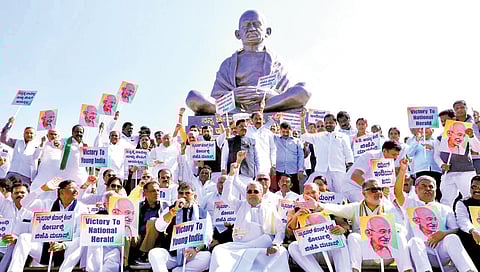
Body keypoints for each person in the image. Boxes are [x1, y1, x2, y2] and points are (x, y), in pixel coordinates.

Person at [185, 10, 311, 114]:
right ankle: (244, 113)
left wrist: (268, 93)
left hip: (269, 104)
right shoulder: (228, 64)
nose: (251, 29)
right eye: (246, 26)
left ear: (267, 31)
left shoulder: (277, 61)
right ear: (238, 34)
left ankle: (255, 112)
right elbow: (217, 96)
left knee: (304, 91)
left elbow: (284, 93)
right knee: (193, 97)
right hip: (234, 107)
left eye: (256, 24)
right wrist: (233, 96)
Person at [317, 162, 413, 272]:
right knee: (353, 237)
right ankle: (355, 270)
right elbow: (335, 209)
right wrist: (318, 205)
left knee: (400, 238)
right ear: (364, 193)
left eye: (379, 189)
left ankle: (406, 270)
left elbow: (403, 230)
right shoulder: (356, 208)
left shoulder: (389, 208)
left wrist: (388, 225)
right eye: (373, 190)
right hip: (363, 254)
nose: (377, 192)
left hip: (385, 253)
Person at [209, 159, 289, 272]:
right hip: (241, 245)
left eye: (255, 192)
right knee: (218, 250)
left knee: (281, 252)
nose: (252, 194)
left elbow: (280, 230)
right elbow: (226, 196)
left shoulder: (269, 207)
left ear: (261, 194)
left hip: (262, 247)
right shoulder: (240, 205)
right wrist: (231, 175)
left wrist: (276, 244)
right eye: (249, 192)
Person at [400, 175, 477, 272]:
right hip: (419, 253)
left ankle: (468, 270)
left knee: (452, 238)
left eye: (431, 187)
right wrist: (402, 170)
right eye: (423, 186)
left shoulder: (445, 208)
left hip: (440, 253)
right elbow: (398, 193)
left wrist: (443, 234)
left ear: (436, 190)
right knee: (415, 241)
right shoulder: (410, 204)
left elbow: (455, 229)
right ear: (416, 190)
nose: (428, 189)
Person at [9, 179, 88, 271]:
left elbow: (79, 233)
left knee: (80, 240)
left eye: (77, 188)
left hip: (67, 250)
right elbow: (24, 203)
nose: (76, 191)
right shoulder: (48, 204)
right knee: (23, 237)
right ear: (61, 191)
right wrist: (43, 189)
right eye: (72, 188)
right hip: (45, 251)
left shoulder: (82, 208)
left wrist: (63, 245)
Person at [287, 183, 351, 272]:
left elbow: (344, 225)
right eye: (307, 193)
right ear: (303, 195)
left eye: (313, 192)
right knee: (293, 246)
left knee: (340, 237)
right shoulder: (295, 210)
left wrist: (342, 229)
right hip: (310, 250)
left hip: (330, 249)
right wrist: (297, 216)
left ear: (319, 194)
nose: (310, 195)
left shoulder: (327, 207)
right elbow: (289, 233)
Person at [148, 183, 212, 272]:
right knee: (154, 254)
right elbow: (159, 227)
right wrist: (173, 211)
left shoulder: (203, 213)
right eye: (181, 193)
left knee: (207, 257)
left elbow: (208, 237)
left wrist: (195, 250)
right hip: (172, 255)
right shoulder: (171, 209)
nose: (184, 196)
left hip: (191, 256)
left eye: (187, 193)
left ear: (195, 196)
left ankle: (177, 271)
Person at [300, 112, 354, 193]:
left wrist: (350, 167)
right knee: (321, 194)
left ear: (335, 123)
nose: (328, 124)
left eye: (331, 123)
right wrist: (302, 119)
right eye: (326, 123)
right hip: (321, 171)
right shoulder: (318, 136)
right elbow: (304, 135)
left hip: (338, 170)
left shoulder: (343, 136)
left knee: (341, 194)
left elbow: (348, 153)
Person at [434, 120, 480, 207]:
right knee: (446, 201)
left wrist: (471, 136)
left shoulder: (466, 134)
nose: (444, 123)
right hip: (448, 174)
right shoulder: (439, 138)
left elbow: (477, 149)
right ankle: (447, 220)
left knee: (470, 198)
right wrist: (442, 165)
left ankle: (474, 218)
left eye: (447, 120)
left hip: (465, 172)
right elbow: (436, 156)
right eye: (442, 121)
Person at [133, 181, 170, 265]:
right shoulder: (138, 206)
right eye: (153, 191)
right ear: (145, 193)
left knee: (153, 221)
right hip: (140, 236)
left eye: (158, 191)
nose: (156, 193)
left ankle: (143, 254)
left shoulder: (166, 205)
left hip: (160, 236)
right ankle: (125, 263)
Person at [0, 183, 33, 271]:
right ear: (11, 195)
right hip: (2, 248)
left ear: (29, 195)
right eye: (16, 193)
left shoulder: (34, 209)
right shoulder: (5, 205)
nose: (19, 195)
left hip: (23, 251)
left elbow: (35, 235)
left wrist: (18, 239)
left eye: (22, 192)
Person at [221, 116, 259, 192]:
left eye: (245, 126)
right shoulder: (229, 141)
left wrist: (257, 174)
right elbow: (224, 159)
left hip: (248, 174)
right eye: (241, 126)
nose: (243, 128)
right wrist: (223, 171)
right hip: (233, 174)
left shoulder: (252, 141)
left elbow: (257, 159)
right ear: (236, 128)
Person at [1, 117, 39, 185]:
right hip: (12, 173)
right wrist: (9, 124)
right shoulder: (17, 142)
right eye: (27, 133)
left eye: (31, 133)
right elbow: (3, 138)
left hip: (26, 176)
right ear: (23, 134)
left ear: (35, 135)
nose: (29, 135)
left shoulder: (38, 147)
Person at [407, 128, 442, 200]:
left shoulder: (437, 141)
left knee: (436, 192)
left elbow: (442, 154)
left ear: (433, 130)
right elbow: (409, 153)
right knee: (422, 192)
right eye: (423, 128)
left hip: (436, 170)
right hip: (421, 170)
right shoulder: (416, 141)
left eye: (427, 128)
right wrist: (417, 141)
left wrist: (433, 148)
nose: (425, 130)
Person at [455, 175, 480, 267]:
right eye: (474, 187)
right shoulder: (462, 202)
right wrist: (473, 231)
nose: (477, 190)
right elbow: (462, 220)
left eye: (479, 187)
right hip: (471, 238)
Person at [273, 122, 304, 194]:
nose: (285, 134)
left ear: (291, 130)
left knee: (294, 192)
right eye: (283, 132)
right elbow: (265, 130)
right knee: (280, 191)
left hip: (293, 171)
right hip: (279, 170)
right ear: (280, 131)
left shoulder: (297, 141)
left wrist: (300, 169)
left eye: (287, 132)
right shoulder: (275, 138)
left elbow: (301, 156)